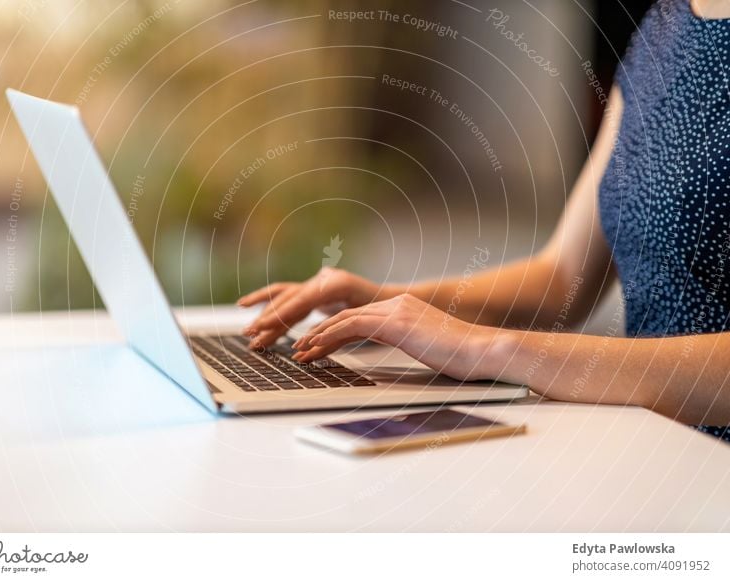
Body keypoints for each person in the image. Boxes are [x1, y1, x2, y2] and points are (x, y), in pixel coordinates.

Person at [238, 0, 730, 441]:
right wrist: (386, 304)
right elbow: (562, 277)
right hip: (647, 441)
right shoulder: (665, 25)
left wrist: (488, 349)